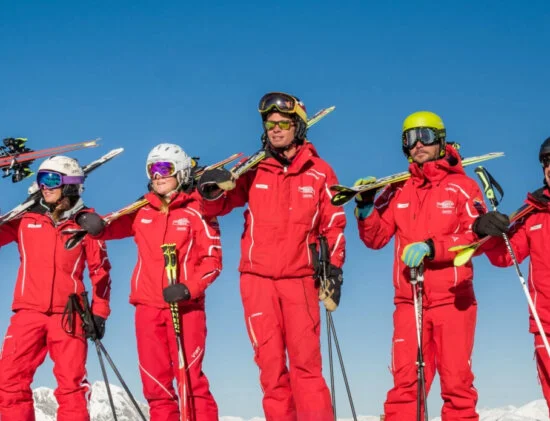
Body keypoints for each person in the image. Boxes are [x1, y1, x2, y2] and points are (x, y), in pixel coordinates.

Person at [197, 92, 346, 421]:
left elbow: (334, 223)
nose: (275, 128)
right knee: (271, 369)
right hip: (257, 281)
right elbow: (217, 204)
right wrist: (208, 188)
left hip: (301, 281)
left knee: (307, 368)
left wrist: (333, 270)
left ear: (298, 127)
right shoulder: (253, 169)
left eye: (283, 123)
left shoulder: (320, 172)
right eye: (270, 123)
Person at [354, 111, 487, 421]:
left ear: (440, 141)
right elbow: (376, 239)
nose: (417, 144)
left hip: (453, 298)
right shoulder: (398, 189)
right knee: (405, 386)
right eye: (409, 139)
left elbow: (475, 237)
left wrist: (432, 247)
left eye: (425, 136)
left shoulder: (463, 187)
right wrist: (365, 208)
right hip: (408, 300)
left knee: (457, 384)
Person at [76, 143, 221, 421]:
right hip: (147, 308)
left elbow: (213, 261)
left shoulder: (198, 212)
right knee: (155, 386)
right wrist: (93, 225)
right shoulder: (142, 211)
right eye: (152, 169)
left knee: (190, 381)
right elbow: (110, 227)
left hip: (185, 307)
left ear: (180, 171)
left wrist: (189, 288)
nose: (157, 175)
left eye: (163, 168)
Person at [0, 155, 112, 421]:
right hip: (27, 313)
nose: (45, 186)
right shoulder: (25, 221)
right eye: (41, 180)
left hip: (69, 315)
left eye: (52, 180)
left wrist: (100, 313)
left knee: (72, 387)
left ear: (71, 185)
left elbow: (101, 271)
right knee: (8, 382)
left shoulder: (85, 224)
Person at [475, 137, 550, 414]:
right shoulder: (533, 215)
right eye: (547, 161)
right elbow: (506, 256)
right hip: (546, 326)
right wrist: (489, 231)